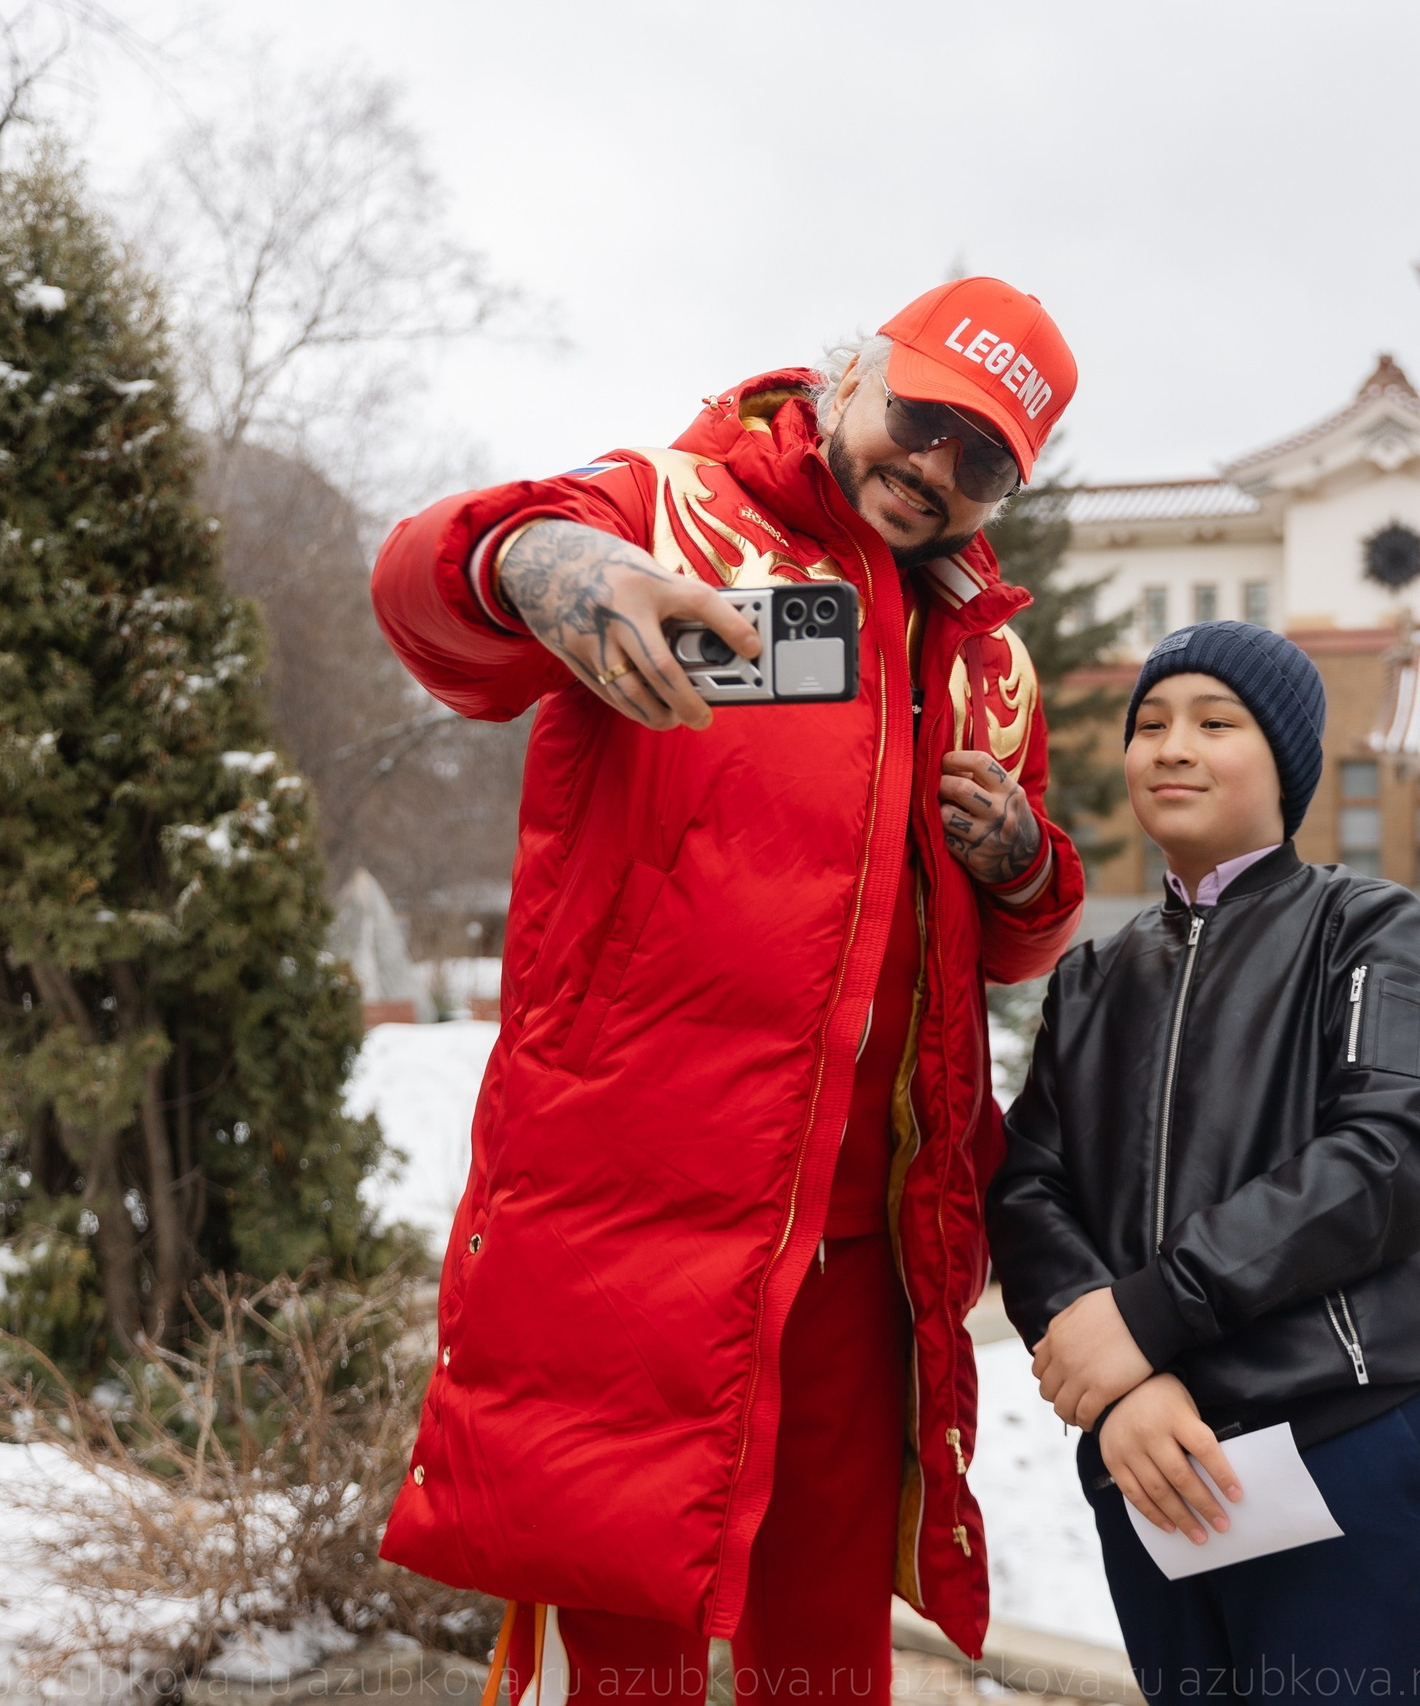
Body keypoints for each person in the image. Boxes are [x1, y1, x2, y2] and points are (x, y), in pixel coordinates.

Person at [370, 277, 1085, 1701]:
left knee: (824, 1649)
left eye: (983, 458)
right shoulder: (665, 507)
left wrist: (1024, 865)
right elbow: (420, 590)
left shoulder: (990, 662)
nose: (935, 469)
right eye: (922, 419)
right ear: (849, 377)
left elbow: (1012, 946)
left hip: (867, 1248)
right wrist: (542, 569)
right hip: (637, 1209)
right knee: (621, 1641)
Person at [988, 621, 1420, 1700]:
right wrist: (1121, 1391)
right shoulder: (1092, 979)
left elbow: (1397, 1152)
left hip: (1338, 1442)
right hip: (1152, 1460)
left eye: (1216, 722)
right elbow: (1028, 1189)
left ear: (1288, 765)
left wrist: (1150, 1313)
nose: (1172, 746)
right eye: (1149, 724)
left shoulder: (1365, 928)